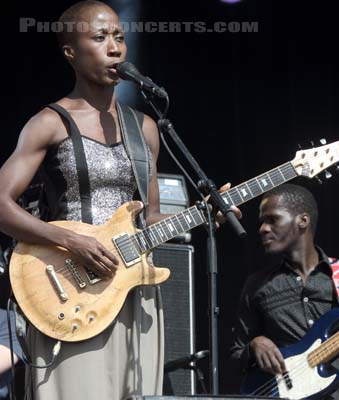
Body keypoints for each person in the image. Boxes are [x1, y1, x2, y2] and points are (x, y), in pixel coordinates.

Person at [0, 1, 238, 398]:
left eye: (119, 38)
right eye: (99, 38)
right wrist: (71, 240)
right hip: (68, 292)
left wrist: (202, 214)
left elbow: (152, 218)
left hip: (133, 291)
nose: (114, 48)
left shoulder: (145, 128)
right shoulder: (48, 123)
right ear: (70, 53)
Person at [231, 184, 339, 400]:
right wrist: (254, 345)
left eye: (272, 219)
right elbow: (236, 354)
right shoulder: (257, 285)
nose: (263, 229)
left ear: (302, 221)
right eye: (262, 222)